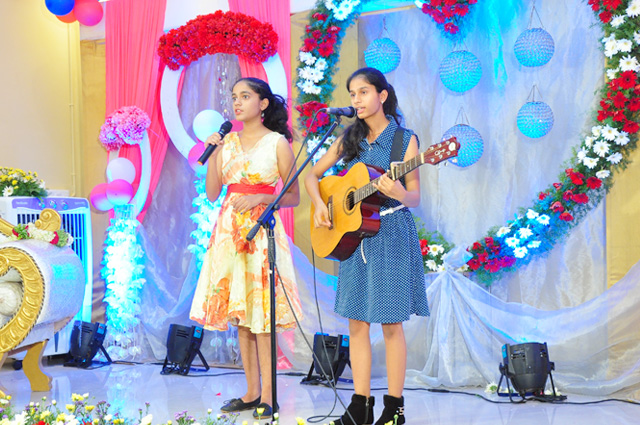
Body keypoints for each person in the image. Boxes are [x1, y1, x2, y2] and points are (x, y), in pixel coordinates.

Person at [304, 67, 429, 425]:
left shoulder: (405, 141)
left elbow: (416, 196)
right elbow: (313, 175)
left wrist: (400, 192)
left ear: (382, 95)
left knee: (391, 325)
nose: (356, 100)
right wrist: (318, 205)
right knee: (356, 324)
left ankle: (394, 408)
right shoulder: (349, 137)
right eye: (352, 94)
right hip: (353, 238)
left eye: (363, 92)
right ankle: (360, 405)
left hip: (390, 233)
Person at [190, 77, 303, 419]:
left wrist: (262, 196)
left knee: (262, 317)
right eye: (234, 97)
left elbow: (294, 195)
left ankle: (270, 395)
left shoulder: (277, 143)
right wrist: (212, 153)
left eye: (245, 96)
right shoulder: (225, 143)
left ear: (263, 103)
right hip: (229, 233)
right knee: (241, 314)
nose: (237, 103)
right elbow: (211, 194)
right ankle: (252, 392)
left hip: (262, 232)